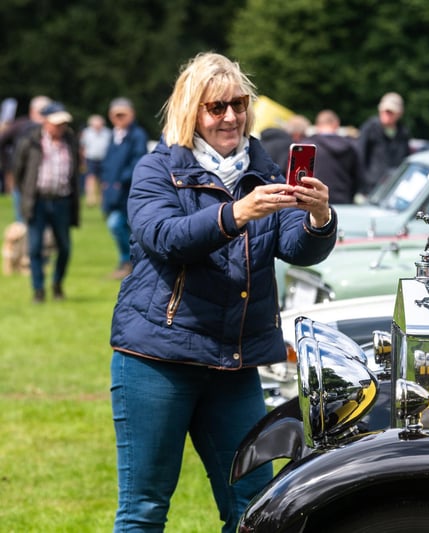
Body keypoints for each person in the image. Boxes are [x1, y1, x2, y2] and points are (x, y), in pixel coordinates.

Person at [109, 51, 337, 533]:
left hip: (233, 365)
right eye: (216, 107)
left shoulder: (265, 169)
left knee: (257, 508)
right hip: (157, 359)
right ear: (192, 110)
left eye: (239, 103)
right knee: (145, 509)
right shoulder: (157, 169)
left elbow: (295, 245)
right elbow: (165, 238)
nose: (231, 116)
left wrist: (319, 217)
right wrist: (236, 214)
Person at [11, 101, 80, 302]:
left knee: (64, 247)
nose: (61, 127)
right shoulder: (30, 141)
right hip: (38, 201)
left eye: (64, 123)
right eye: (57, 123)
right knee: (34, 248)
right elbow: (18, 172)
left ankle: (57, 284)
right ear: (46, 122)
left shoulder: (71, 141)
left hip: (62, 201)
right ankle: (38, 290)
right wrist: (26, 195)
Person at [101, 97, 149, 279]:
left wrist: (121, 180)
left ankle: (130, 262)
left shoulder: (137, 135)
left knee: (119, 225)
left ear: (132, 114)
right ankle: (129, 262)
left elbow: (138, 161)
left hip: (130, 191)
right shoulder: (114, 136)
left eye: (123, 114)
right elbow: (107, 163)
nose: (119, 119)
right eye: (116, 115)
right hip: (114, 192)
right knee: (121, 226)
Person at [1, 95, 52, 221]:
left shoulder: (52, 128)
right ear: (33, 110)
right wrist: (7, 162)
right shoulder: (20, 125)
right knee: (22, 217)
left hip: (46, 180)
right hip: (24, 177)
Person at [304, 109, 365, 204]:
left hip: (314, 201)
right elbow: (358, 178)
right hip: (343, 200)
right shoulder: (351, 147)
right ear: (336, 124)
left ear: (317, 125)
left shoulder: (307, 146)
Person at [358, 91, 411, 195]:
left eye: (391, 112)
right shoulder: (370, 128)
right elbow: (360, 157)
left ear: (399, 114)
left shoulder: (403, 133)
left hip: (394, 188)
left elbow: (405, 160)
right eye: (385, 111)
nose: (387, 114)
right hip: (370, 188)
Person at [79, 114, 111, 206]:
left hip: (104, 159)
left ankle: (102, 200)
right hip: (91, 158)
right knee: (90, 179)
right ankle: (90, 199)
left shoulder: (107, 133)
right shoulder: (87, 132)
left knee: (103, 180)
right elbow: (83, 147)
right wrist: (82, 160)